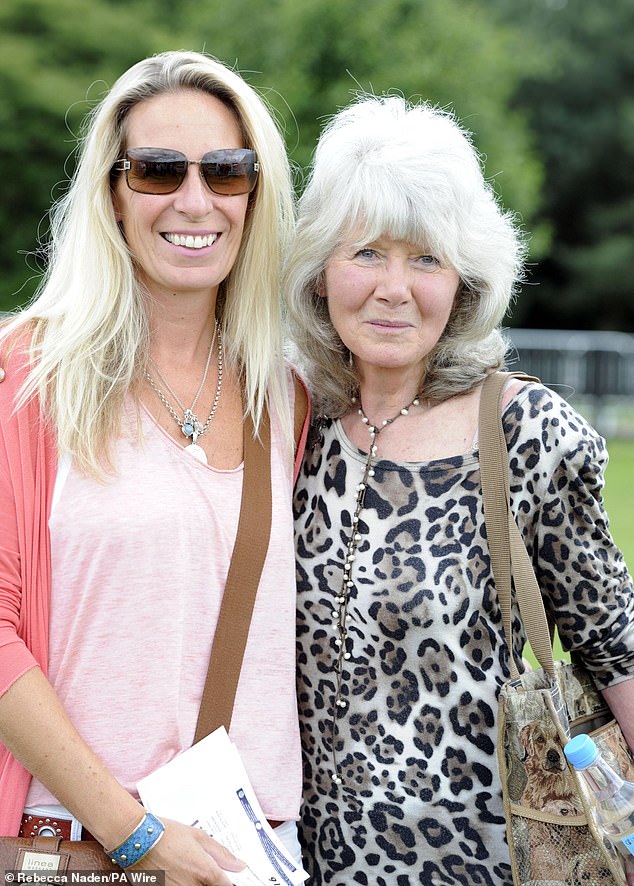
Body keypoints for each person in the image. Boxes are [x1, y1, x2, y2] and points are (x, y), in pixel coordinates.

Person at [284, 94, 634, 884]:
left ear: (465, 280)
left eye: (426, 258)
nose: (393, 288)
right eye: (366, 252)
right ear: (319, 270)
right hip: (292, 862)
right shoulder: (285, 421)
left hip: (480, 863)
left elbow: (618, 646)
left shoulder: (525, 432)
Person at [0, 50, 308, 885]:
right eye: (158, 170)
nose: (195, 200)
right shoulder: (27, 378)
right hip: (78, 846)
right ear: (112, 191)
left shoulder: (286, 397)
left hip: (256, 850)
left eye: (227, 171)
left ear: (257, 191)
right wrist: (133, 831)